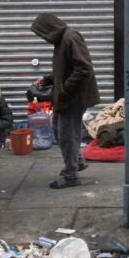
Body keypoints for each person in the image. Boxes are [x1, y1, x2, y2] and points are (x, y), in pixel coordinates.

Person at [31, 13, 99, 189]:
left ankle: (71, 175)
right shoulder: (61, 41)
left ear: (49, 28)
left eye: (42, 34)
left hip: (73, 97)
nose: (43, 38)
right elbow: (64, 70)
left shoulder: (71, 38)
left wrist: (65, 88)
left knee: (67, 135)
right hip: (66, 96)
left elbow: (84, 68)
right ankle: (77, 161)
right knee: (57, 129)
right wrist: (47, 80)